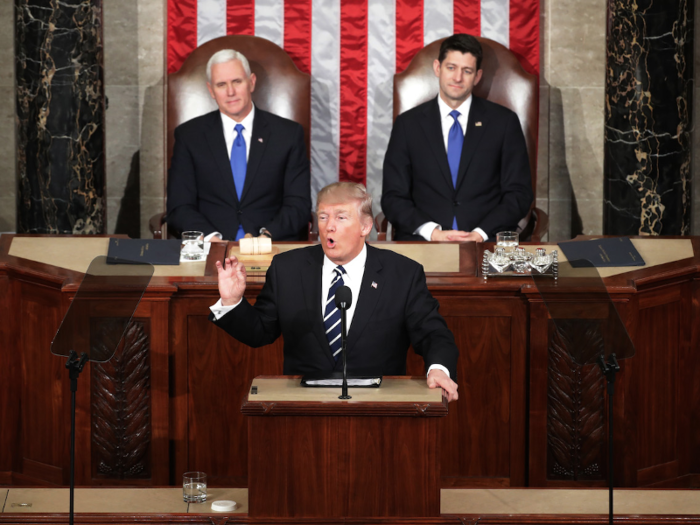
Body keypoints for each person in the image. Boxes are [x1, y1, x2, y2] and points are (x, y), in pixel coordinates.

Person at [209, 182, 459, 401]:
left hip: (379, 407)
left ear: (365, 226)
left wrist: (438, 368)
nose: (329, 227)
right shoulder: (287, 269)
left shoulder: (402, 273)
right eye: (323, 217)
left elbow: (434, 334)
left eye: (341, 217)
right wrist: (232, 302)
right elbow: (260, 332)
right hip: (303, 408)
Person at [381, 33, 533, 242]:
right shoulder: (408, 125)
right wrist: (431, 232)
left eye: (467, 71)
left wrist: (480, 234)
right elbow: (393, 196)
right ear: (438, 68)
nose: (457, 78)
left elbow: (518, 193)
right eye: (451, 68)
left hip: (486, 243)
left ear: (478, 76)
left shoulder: (503, 122)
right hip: (424, 243)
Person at [167, 49, 311, 241]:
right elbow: (179, 206)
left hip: (271, 245)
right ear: (211, 90)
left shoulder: (288, 134)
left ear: (251, 82)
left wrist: (267, 235)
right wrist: (212, 238)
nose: (230, 92)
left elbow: (298, 204)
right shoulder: (189, 136)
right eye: (221, 84)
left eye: (237, 81)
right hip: (212, 246)